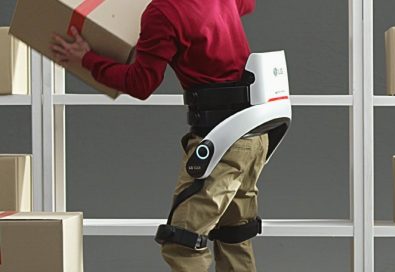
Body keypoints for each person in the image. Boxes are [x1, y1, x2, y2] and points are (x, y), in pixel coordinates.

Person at [51, 0, 268, 271]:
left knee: (182, 243)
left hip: (221, 139)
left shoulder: (162, 11)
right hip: (254, 133)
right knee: (233, 236)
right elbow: (247, 4)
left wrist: (86, 59)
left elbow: (142, 83)